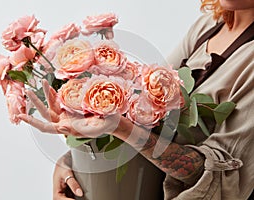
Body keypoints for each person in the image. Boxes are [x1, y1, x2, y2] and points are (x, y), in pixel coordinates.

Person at [18, 0, 254, 199]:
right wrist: (76, 160)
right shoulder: (210, 25)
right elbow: (144, 101)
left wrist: (121, 128)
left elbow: (221, 177)